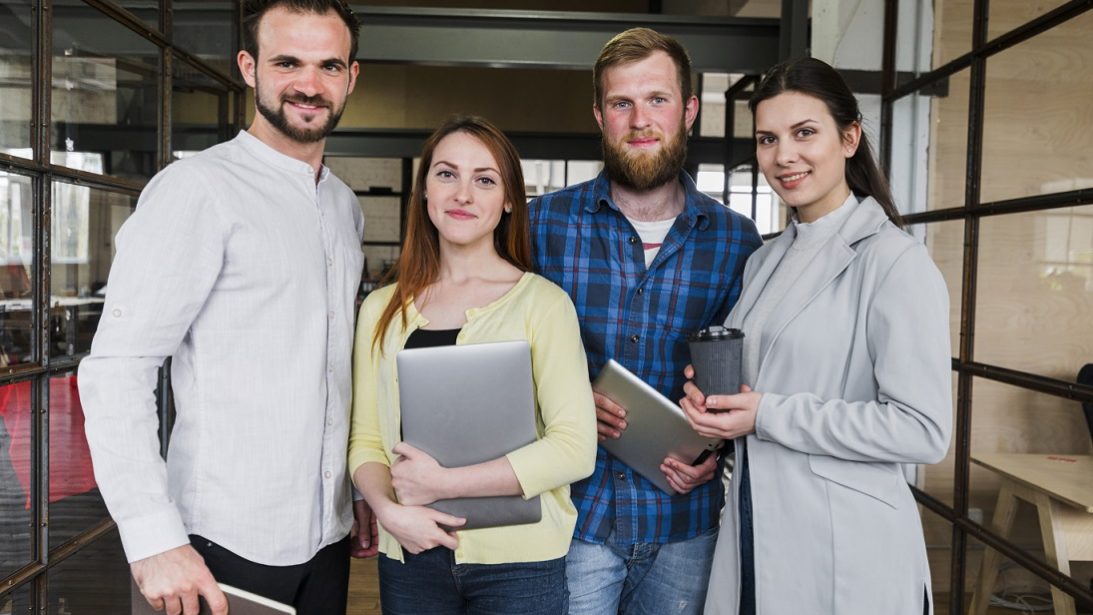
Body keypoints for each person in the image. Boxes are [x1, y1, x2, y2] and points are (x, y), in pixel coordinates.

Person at [77, 1, 374, 613]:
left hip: (327, 539)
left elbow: (331, 372)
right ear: (249, 67)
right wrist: (152, 536)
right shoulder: (197, 190)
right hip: (219, 541)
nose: (309, 85)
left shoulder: (345, 207)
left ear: (351, 76)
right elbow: (115, 370)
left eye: (328, 65)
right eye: (287, 62)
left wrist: (356, 492)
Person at [680, 57, 952, 615]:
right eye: (767, 138)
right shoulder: (765, 259)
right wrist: (715, 410)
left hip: (845, 553)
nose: (784, 156)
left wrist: (766, 414)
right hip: (758, 533)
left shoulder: (895, 263)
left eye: (805, 133)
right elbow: (765, 388)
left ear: (849, 137)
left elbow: (922, 430)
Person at [529, 28, 762, 614]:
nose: (640, 120)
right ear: (599, 116)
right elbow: (497, 347)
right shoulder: (541, 226)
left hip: (686, 526)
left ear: (688, 112)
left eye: (657, 100)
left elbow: (754, 378)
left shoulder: (737, 241)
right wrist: (563, 395)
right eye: (620, 103)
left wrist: (716, 454)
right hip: (573, 519)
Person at [348, 115, 597, 614]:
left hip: (521, 565)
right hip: (412, 555)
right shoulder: (382, 310)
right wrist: (389, 511)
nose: (463, 193)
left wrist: (443, 484)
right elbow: (366, 441)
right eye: (446, 174)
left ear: (508, 201)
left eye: (484, 179)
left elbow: (574, 449)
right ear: (424, 191)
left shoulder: (543, 305)